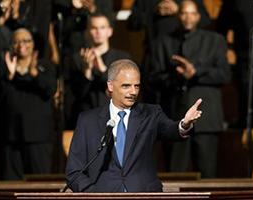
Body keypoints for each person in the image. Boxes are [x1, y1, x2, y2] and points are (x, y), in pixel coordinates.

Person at [65, 59, 202, 192]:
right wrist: (94, 194)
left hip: (143, 194)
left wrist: (184, 124)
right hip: (104, 196)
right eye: (126, 86)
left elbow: (171, 130)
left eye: (136, 86)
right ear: (110, 86)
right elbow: (74, 171)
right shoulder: (88, 120)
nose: (133, 92)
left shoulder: (151, 114)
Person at [149, 0, 230, 177]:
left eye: (192, 13)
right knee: (175, 172)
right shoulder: (163, 42)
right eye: (184, 13)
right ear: (178, 16)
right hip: (176, 116)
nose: (188, 17)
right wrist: (177, 75)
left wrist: (195, 72)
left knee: (208, 173)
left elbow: (224, 75)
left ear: (199, 16)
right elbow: (154, 77)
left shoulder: (214, 40)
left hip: (207, 118)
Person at [0, 28, 57, 180]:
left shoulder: (45, 66)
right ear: (11, 45)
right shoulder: (3, 68)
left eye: (26, 40)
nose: (22, 44)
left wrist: (34, 73)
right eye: (17, 41)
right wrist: (9, 76)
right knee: (10, 185)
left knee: (39, 186)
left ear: (33, 44)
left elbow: (50, 90)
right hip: (10, 137)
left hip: (38, 138)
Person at [68, 13, 131, 128]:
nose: (98, 32)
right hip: (87, 120)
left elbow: (123, 90)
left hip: (115, 119)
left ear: (110, 31)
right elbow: (77, 94)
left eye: (102, 27)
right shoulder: (77, 58)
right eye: (93, 28)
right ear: (87, 32)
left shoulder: (122, 58)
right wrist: (87, 71)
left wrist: (103, 69)